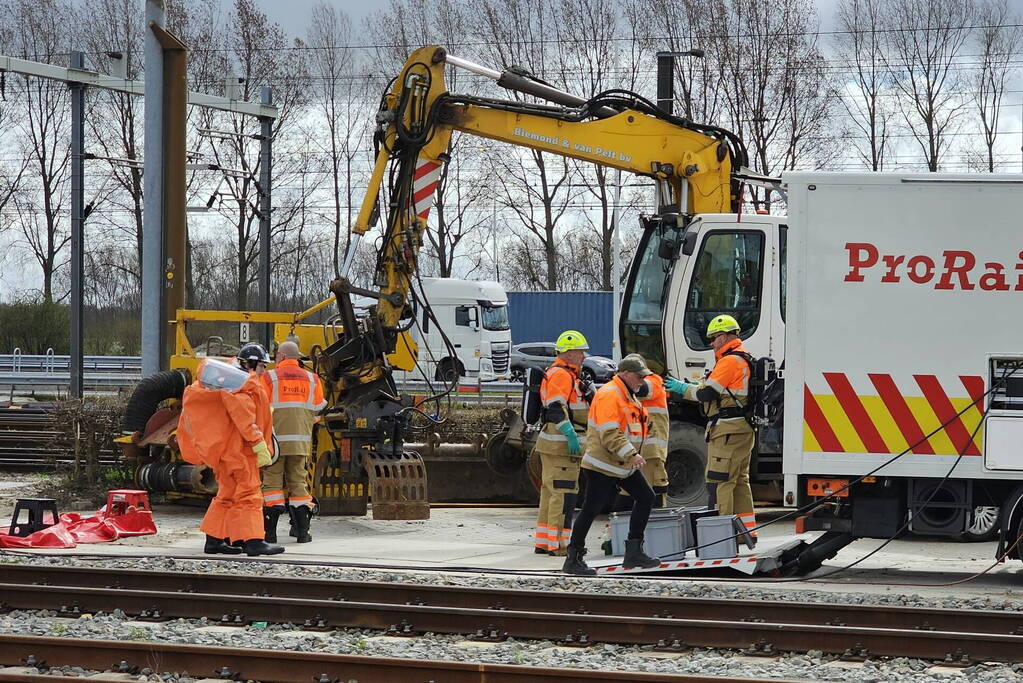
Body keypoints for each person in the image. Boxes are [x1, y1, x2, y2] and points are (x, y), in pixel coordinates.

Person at [563, 354, 660, 576]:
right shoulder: (610, 395)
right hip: (603, 465)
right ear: (625, 374)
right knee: (591, 509)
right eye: (638, 376)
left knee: (646, 497)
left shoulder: (627, 394)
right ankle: (573, 558)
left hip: (620, 464)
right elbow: (609, 433)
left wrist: (646, 431)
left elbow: (634, 425)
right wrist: (632, 454)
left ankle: (634, 552)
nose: (641, 381)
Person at [177, 357, 284, 556]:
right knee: (250, 495)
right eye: (261, 366)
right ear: (250, 365)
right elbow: (246, 422)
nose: (263, 370)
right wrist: (259, 445)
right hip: (241, 453)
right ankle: (254, 542)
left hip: (224, 453)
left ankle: (214, 541)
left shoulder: (217, 387)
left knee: (225, 496)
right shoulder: (241, 391)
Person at [667, 314, 757, 541]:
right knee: (739, 481)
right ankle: (745, 533)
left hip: (727, 430)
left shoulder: (729, 361)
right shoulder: (744, 358)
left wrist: (681, 388)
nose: (711, 343)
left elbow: (707, 393)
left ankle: (719, 537)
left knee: (719, 481)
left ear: (726, 336)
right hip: (743, 428)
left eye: (714, 338)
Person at [260, 340, 326, 543]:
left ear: (280, 357)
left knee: (272, 485)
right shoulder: (313, 379)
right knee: (299, 484)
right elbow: (317, 412)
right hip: (300, 442)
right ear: (297, 358)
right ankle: (302, 533)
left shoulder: (269, 377)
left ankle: (269, 535)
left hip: (275, 443)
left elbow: (259, 408)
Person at [532, 330, 591, 556]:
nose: (584, 356)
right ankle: (559, 545)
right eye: (580, 351)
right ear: (568, 354)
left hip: (554, 444)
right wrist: (570, 434)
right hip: (561, 446)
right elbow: (555, 408)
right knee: (563, 494)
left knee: (551, 493)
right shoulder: (561, 375)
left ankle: (545, 541)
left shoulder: (567, 374)